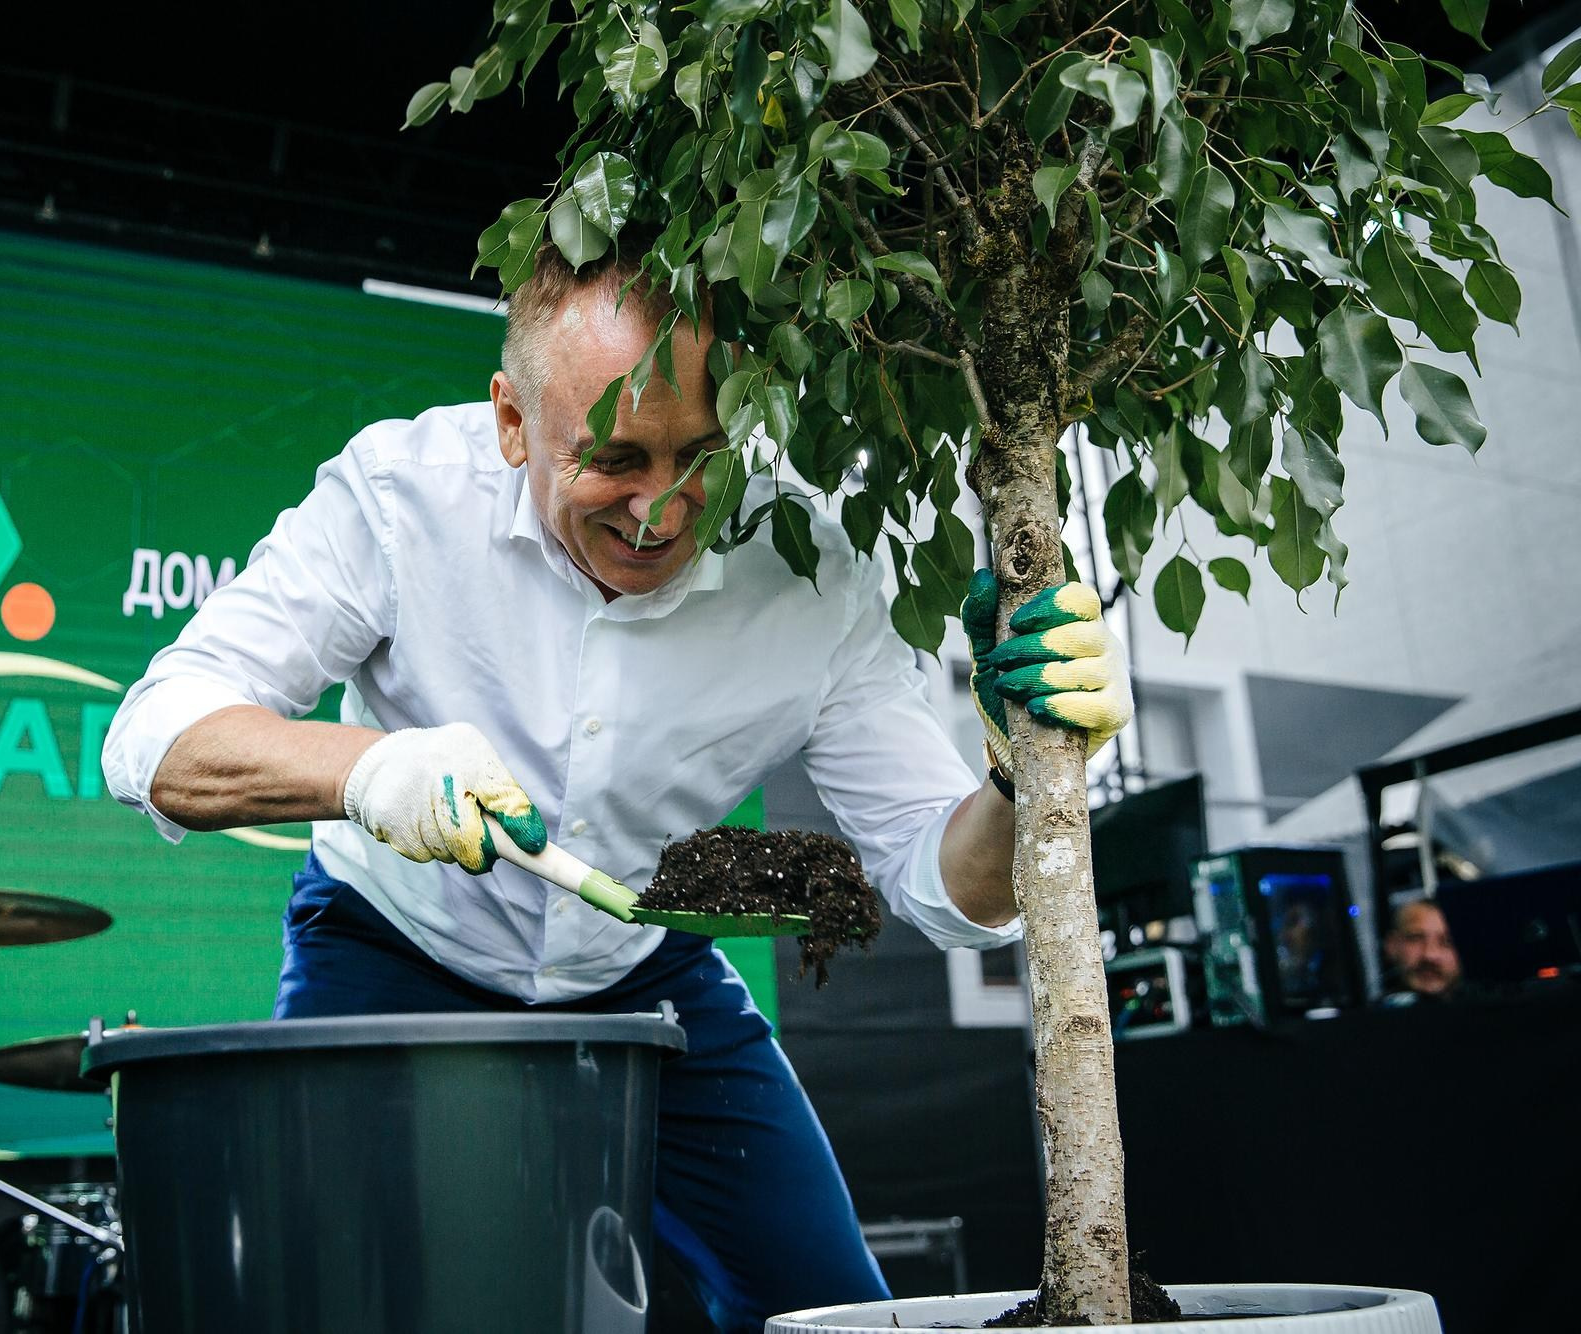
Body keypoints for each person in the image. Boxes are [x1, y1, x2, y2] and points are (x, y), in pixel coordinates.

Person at [101, 241, 1132, 1332]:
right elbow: (154, 735)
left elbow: (950, 890)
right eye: (614, 459)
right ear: (511, 423)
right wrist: (370, 769)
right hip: (388, 948)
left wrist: (1023, 773)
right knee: (341, 1299)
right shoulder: (400, 496)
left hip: (646, 976)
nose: (662, 506)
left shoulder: (811, 573)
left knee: (829, 1309)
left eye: (699, 453)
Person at [1380, 897, 1463, 1002]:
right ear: (1391, 946)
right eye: (1415, 939)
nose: (1430, 955)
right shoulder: (1370, 1015)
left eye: (1447, 942)